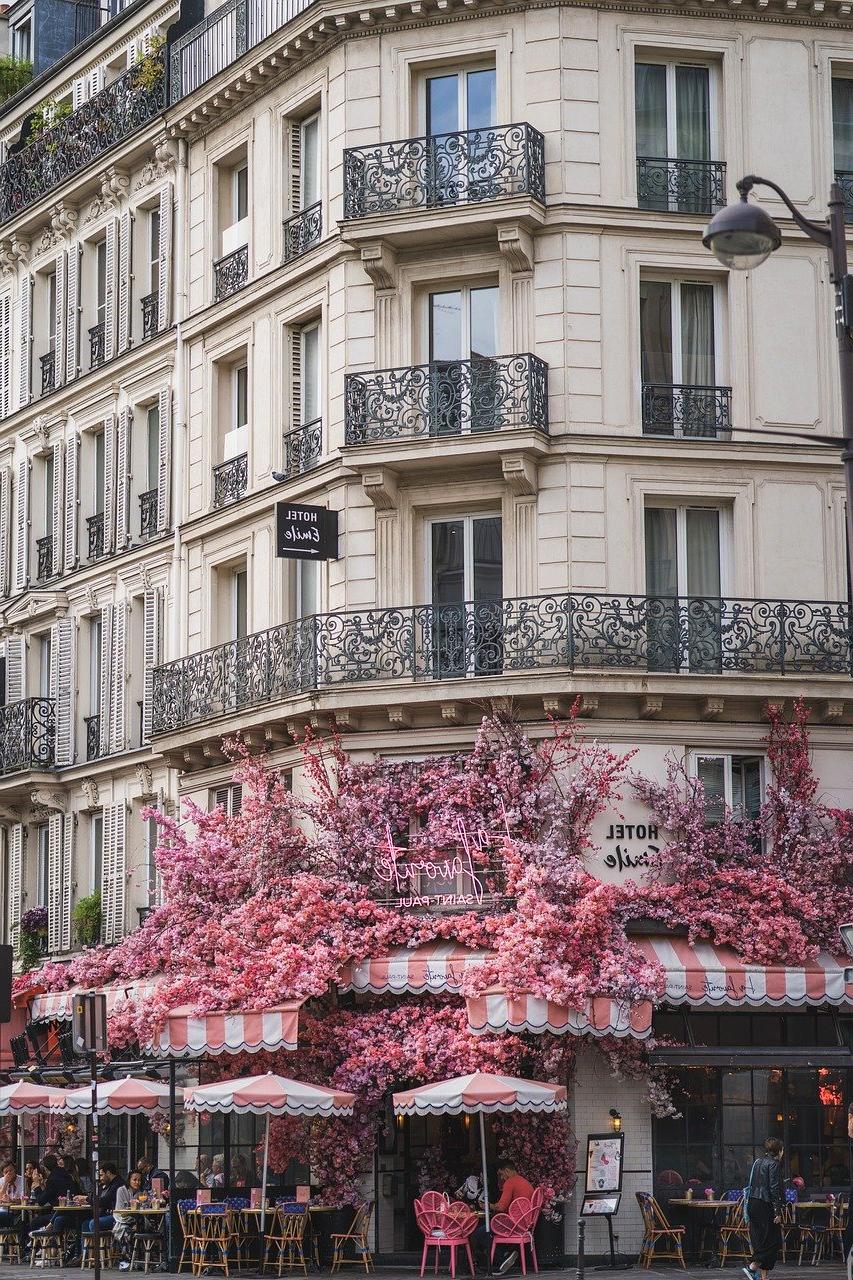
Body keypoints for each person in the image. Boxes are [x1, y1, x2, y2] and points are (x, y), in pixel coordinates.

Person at [743, 1138, 785, 1280]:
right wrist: (777, 1212)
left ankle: (763, 1277)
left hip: (753, 1203)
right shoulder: (774, 1164)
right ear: (779, 1150)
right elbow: (773, 1189)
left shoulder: (758, 1162)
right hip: (765, 1204)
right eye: (782, 1149)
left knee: (761, 1240)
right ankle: (752, 1267)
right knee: (774, 1241)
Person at [24, 1155, 76, 1252]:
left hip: (64, 1213)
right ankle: (48, 1249)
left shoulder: (53, 1179)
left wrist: (36, 1186)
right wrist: (41, 1185)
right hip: (70, 1212)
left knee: (35, 1222)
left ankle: (38, 1250)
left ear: (45, 1168)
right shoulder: (65, 1175)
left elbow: (41, 1201)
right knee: (49, 1217)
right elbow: (49, 1195)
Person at [113, 1169, 145, 1270]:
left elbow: (144, 1208)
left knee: (142, 1227)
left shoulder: (141, 1193)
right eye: (134, 1180)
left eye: (139, 1180)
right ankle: (124, 1260)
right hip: (123, 1219)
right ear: (129, 1180)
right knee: (126, 1231)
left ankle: (138, 1260)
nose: (137, 1182)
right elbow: (120, 1209)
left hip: (138, 1219)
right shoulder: (121, 1190)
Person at [83, 1162, 124, 1236]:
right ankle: (86, 1248)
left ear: (108, 1173)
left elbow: (104, 1201)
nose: (100, 1178)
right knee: (85, 1223)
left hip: (117, 1217)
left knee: (93, 1223)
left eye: (101, 1175)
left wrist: (86, 1199)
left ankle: (98, 1246)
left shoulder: (118, 1184)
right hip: (108, 1214)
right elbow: (99, 1198)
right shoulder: (109, 1184)